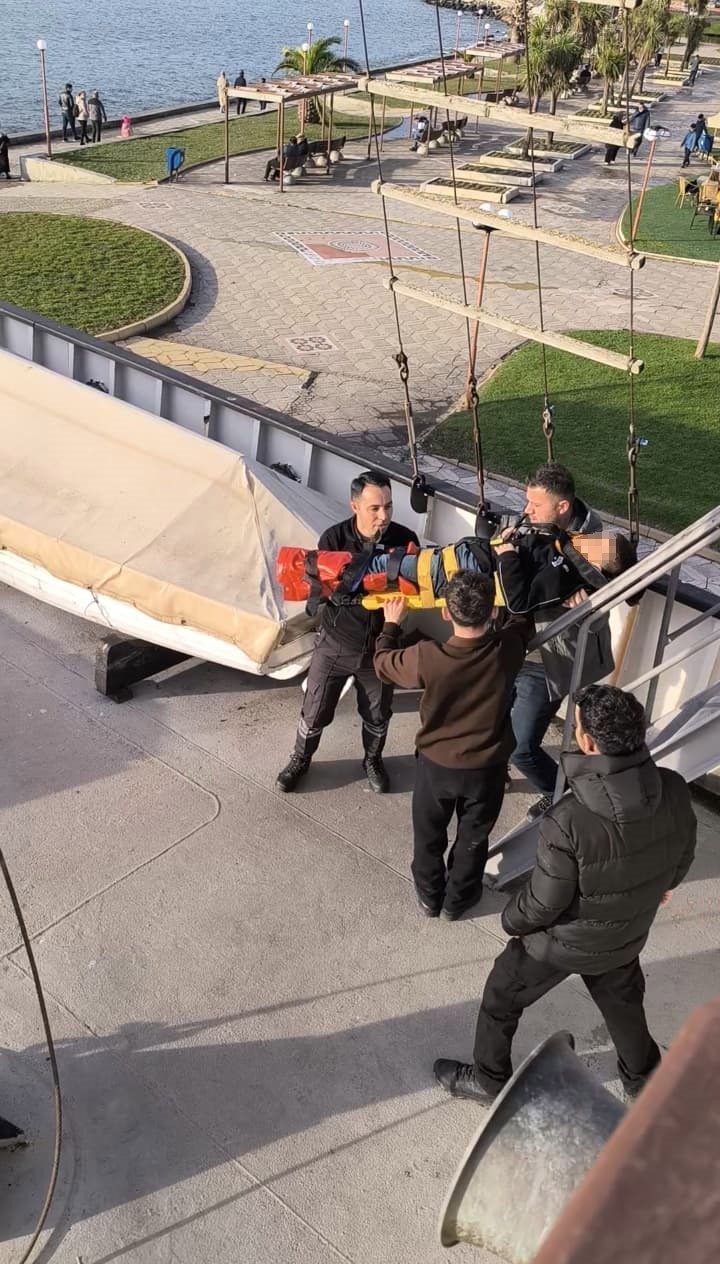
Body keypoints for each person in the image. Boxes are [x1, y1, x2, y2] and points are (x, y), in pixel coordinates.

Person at [433, 684, 697, 1103]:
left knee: (501, 998)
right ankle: (643, 1084)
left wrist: (509, 919)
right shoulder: (675, 788)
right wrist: (660, 887)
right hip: (624, 938)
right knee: (625, 1008)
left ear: (587, 741)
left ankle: (488, 1080)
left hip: (559, 945)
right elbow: (683, 856)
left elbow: (543, 903)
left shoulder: (567, 819)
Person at [373, 574, 531, 920]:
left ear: (446, 612)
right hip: (486, 769)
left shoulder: (428, 657)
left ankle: (430, 896)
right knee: (474, 838)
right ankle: (459, 899)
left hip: (436, 766)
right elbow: (523, 619)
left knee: (428, 834)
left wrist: (390, 626)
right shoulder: (508, 649)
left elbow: (383, 664)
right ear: (492, 612)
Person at [276, 470, 419, 795]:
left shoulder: (405, 539)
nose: (384, 516)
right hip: (336, 644)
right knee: (314, 710)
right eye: (375, 508)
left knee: (378, 713)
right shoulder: (333, 540)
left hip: (380, 650)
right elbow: (326, 588)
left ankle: (372, 760)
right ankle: (300, 758)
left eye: (389, 507)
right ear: (355, 506)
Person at [508, 462, 613, 819]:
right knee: (494, 726)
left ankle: (561, 795)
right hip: (517, 650)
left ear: (563, 507)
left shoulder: (597, 548)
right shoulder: (534, 528)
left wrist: (591, 607)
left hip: (550, 660)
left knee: (521, 748)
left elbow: (621, 596)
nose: (526, 511)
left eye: (535, 505)